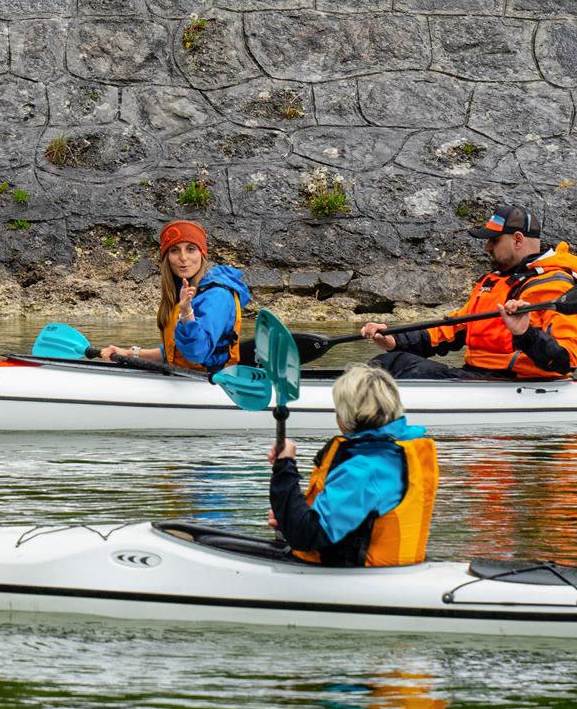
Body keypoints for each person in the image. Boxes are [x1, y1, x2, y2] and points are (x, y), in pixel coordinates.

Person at [361, 203, 577, 381]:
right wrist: (396, 340)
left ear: (518, 240)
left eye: (494, 240)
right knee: (391, 360)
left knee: (402, 367)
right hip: (478, 377)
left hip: (516, 383)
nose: (487, 247)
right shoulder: (494, 282)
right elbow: (453, 329)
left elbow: (567, 360)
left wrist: (525, 334)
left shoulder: (556, 286)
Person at [268, 365, 438, 568]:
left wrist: (285, 466)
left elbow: (306, 536)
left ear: (346, 417)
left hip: (357, 582)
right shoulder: (390, 455)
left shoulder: (363, 470)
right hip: (382, 572)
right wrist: (290, 516)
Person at [100, 219, 252, 373]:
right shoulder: (182, 290)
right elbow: (174, 353)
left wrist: (186, 313)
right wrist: (130, 353)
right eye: (174, 250)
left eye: (191, 249)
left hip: (210, 384)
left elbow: (198, 353)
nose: (183, 258)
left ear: (202, 254)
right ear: (167, 258)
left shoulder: (218, 295)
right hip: (184, 377)